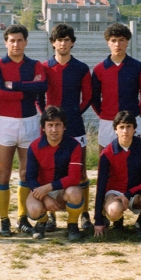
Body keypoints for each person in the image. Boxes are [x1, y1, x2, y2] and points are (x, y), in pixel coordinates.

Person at [0, 24, 48, 236]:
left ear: (26, 42)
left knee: (26, 173)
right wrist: (27, 87)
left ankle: (22, 219)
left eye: (20, 40)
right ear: (6, 42)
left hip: (30, 121)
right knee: (3, 173)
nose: (16, 44)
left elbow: (42, 87)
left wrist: (13, 85)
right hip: (6, 122)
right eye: (11, 40)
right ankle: (4, 220)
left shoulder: (34, 64)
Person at [39, 24, 93, 233]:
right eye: (59, 39)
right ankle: (50, 217)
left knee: (80, 172)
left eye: (67, 39)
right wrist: (47, 118)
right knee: (50, 171)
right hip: (51, 129)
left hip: (75, 126)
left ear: (72, 42)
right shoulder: (44, 67)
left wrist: (73, 114)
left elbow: (87, 97)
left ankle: (84, 214)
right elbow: (38, 96)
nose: (63, 43)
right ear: (53, 42)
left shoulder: (81, 68)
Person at [93, 111, 141, 238]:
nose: (125, 131)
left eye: (129, 126)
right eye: (121, 127)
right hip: (115, 193)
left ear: (134, 129)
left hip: (136, 193)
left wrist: (129, 193)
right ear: (115, 130)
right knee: (113, 211)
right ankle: (117, 220)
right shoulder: (107, 152)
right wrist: (98, 220)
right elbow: (100, 185)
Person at [25, 106, 84, 241]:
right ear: (43, 128)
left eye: (58, 125)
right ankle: (42, 222)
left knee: (75, 193)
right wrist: (45, 196)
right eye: (50, 125)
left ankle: (72, 224)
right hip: (42, 191)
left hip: (63, 191)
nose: (54, 129)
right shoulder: (34, 146)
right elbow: (30, 177)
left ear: (64, 127)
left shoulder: (74, 145)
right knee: (33, 210)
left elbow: (74, 177)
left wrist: (48, 188)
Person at [92, 23, 141, 152]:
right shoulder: (99, 69)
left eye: (121, 40)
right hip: (107, 121)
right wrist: (104, 114)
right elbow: (94, 98)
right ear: (108, 42)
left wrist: (135, 115)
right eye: (114, 41)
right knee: (106, 159)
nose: (117, 45)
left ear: (127, 42)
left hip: (132, 121)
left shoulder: (138, 67)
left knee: (136, 159)